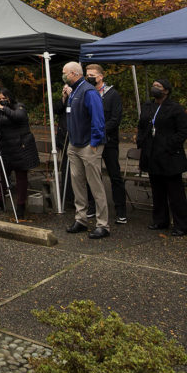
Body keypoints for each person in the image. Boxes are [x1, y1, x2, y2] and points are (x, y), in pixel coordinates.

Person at [136, 78, 187, 237]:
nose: (155, 88)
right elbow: (142, 125)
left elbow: (182, 132)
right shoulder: (148, 106)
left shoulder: (175, 109)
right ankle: (160, 220)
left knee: (175, 194)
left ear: (166, 90)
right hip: (152, 156)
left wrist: (168, 145)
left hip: (169, 157)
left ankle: (181, 225)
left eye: (158, 86)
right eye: (153, 86)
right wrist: (142, 141)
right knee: (157, 191)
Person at [62, 61, 108, 239]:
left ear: (74, 73)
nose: (63, 75)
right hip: (75, 144)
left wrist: (95, 142)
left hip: (89, 144)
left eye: (65, 72)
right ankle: (81, 219)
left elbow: (98, 118)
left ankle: (103, 224)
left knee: (95, 185)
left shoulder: (88, 92)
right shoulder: (74, 92)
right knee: (77, 184)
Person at [84, 64, 127, 224]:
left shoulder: (112, 95)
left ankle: (121, 210)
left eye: (92, 75)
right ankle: (92, 207)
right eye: (87, 74)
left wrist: (99, 130)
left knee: (114, 175)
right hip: (91, 141)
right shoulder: (87, 93)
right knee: (92, 175)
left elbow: (115, 119)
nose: (89, 77)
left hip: (108, 141)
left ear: (101, 76)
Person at [0, 88, 39, 218]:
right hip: (5, 146)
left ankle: (21, 205)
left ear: (10, 97)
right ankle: (0, 200)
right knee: (2, 175)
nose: (1, 101)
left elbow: (18, 117)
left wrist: (1, 107)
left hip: (20, 146)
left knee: (21, 177)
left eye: (4, 98)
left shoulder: (19, 106)